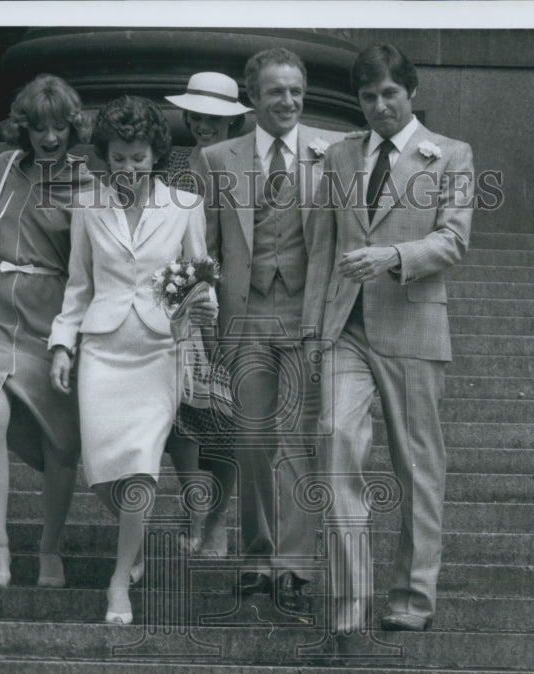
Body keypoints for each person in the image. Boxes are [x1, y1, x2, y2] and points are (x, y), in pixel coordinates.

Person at [302, 44, 475, 633]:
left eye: (389, 95)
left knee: (417, 465)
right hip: (344, 327)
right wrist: (311, 332)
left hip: (413, 325)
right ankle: (350, 600)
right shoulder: (341, 156)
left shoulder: (451, 155)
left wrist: (393, 255)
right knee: (333, 439)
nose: (379, 106)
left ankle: (411, 599)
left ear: (411, 92)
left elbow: (453, 240)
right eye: (368, 97)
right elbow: (322, 249)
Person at [49, 96, 212, 625]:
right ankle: (134, 543)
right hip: (102, 350)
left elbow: (199, 279)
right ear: (105, 156)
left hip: (160, 350)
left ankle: (119, 582)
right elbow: (78, 286)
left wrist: (201, 311)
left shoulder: (185, 205)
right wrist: (61, 345)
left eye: (138, 157)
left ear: (155, 155)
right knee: (101, 475)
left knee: (141, 467)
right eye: (118, 157)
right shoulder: (86, 205)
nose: (129, 168)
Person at [197, 48, 344, 613]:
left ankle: (295, 566)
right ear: (252, 97)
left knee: (297, 439)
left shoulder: (332, 151)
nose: (288, 101)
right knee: (253, 439)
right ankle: (258, 557)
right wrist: (203, 320)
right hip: (245, 313)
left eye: (296, 91)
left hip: (306, 315)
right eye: (276, 91)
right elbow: (206, 247)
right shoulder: (216, 158)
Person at [0, 74, 94, 589]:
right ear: (25, 128)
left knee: (60, 440)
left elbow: (87, 268)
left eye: (59, 126)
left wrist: (74, 334)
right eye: (39, 127)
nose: (50, 137)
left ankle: (50, 548)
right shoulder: (4, 166)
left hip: (52, 318)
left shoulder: (87, 185)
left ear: (72, 127)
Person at [162, 72, 250, 556]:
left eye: (214, 117)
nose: (203, 124)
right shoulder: (174, 165)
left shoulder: (248, 167)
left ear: (233, 120)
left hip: (241, 305)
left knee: (233, 422)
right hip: (186, 305)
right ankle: (193, 507)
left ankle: (217, 519)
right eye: (196, 115)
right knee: (188, 416)